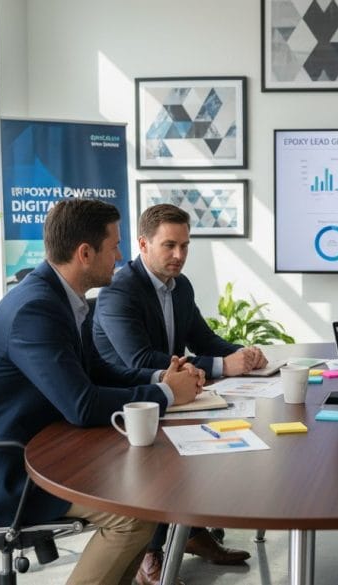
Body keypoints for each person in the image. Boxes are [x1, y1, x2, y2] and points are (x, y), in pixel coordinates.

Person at [0, 198, 205, 585]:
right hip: (4, 472)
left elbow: (97, 371)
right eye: (115, 245)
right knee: (132, 516)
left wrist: (159, 382)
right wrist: (168, 395)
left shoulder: (62, 297)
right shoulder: (35, 309)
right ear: (85, 253)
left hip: (43, 446)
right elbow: (82, 405)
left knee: (147, 494)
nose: (121, 256)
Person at [94, 204, 260, 584]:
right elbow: (139, 359)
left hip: (172, 396)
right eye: (169, 246)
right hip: (128, 404)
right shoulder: (118, 292)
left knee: (215, 437)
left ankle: (192, 533)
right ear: (142, 244)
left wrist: (241, 353)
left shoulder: (179, 286)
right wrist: (221, 367)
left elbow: (203, 339)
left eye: (185, 246)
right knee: (169, 455)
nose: (179, 256)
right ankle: (149, 552)